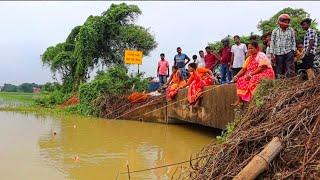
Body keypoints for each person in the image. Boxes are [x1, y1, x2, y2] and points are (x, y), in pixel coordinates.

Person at [232, 41, 275, 106]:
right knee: (240, 80)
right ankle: (240, 101)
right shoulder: (249, 58)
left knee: (254, 79)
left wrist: (250, 75)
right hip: (252, 74)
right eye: (248, 48)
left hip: (265, 73)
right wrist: (236, 76)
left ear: (257, 48)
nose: (249, 50)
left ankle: (255, 99)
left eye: (251, 48)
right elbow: (243, 69)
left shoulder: (261, 55)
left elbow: (262, 68)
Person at [270, 14, 296, 78]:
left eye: (287, 22)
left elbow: (293, 41)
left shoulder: (291, 30)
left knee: (289, 66)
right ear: (280, 22)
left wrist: (293, 50)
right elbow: (272, 42)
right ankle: (280, 80)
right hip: (278, 52)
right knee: (279, 67)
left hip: (289, 51)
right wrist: (272, 53)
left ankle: (290, 80)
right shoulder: (275, 31)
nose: (286, 23)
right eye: (285, 21)